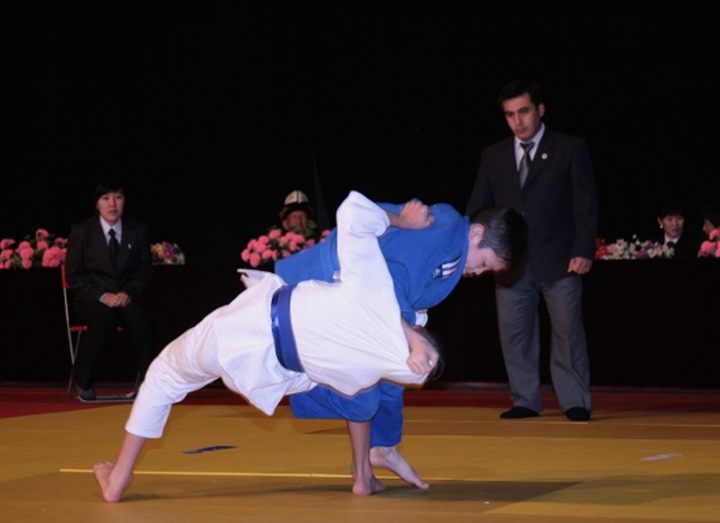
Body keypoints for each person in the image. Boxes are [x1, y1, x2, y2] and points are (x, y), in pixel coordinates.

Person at [93, 191, 441, 502]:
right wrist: (414, 341)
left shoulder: (374, 293)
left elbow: (353, 210)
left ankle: (119, 477)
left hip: (245, 330)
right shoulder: (381, 364)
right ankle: (362, 476)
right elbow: (412, 360)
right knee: (362, 396)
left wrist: (403, 220)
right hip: (281, 373)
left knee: (164, 374)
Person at [275, 198, 527, 487]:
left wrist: (413, 332)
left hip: (343, 293)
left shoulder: (452, 241)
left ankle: (373, 461)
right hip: (321, 285)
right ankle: (375, 455)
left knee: (379, 374)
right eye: (483, 263)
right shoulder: (442, 235)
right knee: (372, 376)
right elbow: (386, 285)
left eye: (486, 271)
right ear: (476, 233)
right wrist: (413, 338)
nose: (478, 273)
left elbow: (396, 290)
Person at [466, 79, 599, 422]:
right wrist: (469, 253)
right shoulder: (493, 155)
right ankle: (525, 399)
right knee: (514, 334)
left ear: (540, 110)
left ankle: (575, 401)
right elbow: (478, 207)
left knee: (568, 332)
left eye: (524, 112)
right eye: (510, 114)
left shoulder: (570, 148)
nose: (518, 121)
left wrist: (584, 249)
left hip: (561, 258)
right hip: (509, 262)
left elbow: (585, 204)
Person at [66, 180, 156, 401]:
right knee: (104, 317)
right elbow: (74, 276)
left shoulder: (138, 230)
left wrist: (127, 293)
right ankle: (83, 381)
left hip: (127, 297)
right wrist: (102, 295)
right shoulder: (82, 231)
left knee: (141, 318)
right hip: (92, 298)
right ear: (97, 203)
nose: (112, 204)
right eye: (106, 198)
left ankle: (150, 383)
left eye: (118, 197)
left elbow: (144, 270)